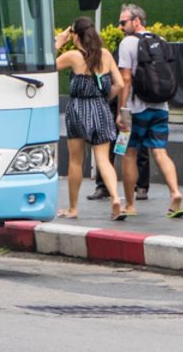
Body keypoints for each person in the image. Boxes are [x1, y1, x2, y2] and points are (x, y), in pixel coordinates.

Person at [55, 17, 128, 222]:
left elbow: (45, 66)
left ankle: (73, 208)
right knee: (104, 159)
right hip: (101, 109)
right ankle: (115, 199)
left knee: (76, 161)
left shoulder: (73, 56)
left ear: (75, 36)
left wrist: (59, 42)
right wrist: (105, 99)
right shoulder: (105, 54)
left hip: (78, 109)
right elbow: (120, 84)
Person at [117, 4, 183, 218]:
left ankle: (129, 204)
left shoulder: (128, 43)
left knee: (129, 154)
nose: (120, 27)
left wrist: (122, 109)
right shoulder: (162, 41)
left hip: (137, 109)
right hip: (161, 107)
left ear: (136, 21)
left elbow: (126, 79)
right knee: (160, 152)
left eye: (123, 22)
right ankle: (175, 193)